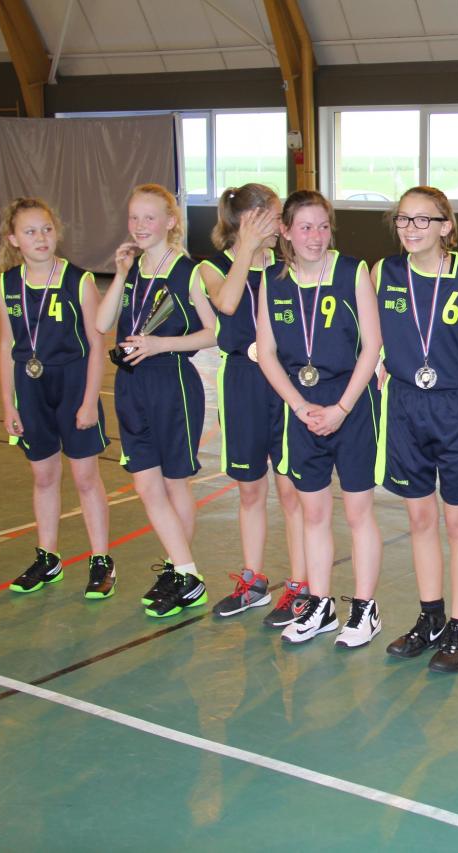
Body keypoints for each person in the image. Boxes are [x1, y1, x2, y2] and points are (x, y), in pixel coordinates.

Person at [374, 186, 458, 674]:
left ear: (447, 226)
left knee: (457, 523)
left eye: (423, 220)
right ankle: (430, 617)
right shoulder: (383, 272)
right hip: (406, 404)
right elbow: (367, 328)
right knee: (420, 521)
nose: (411, 229)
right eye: (404, 220)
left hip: (455, 406)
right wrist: (378, 360)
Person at [255, 190, 384, 648]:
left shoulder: (353, 273)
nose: (315, 236)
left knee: (357, 510)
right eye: (305, 227)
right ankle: (321, 603)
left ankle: (365, 610)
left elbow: (372, 347)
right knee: (312, 511)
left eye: (323, 226)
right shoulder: (272, 281)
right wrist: (296, 405)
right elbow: (266, 353)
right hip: (302, 408)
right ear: (286, 232)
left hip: (350, 403)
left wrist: (342, 408)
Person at [95, 183, 217, 618]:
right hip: (131, 387)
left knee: (173, 481)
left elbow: (213, 332)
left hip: (172, 384)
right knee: (145, 484)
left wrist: (162, 344)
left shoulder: (190, 271)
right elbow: (101, 321)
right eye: (134, 218)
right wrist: (122, 272)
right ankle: (181, 569)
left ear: (170, 221)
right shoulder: (134, 270)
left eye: (149, 218)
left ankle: (183, 573)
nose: (140, 226)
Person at [197, 184, 309, 622]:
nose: (281, 225)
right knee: (250, 488)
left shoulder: (289, 266)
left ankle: (300, 586)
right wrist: (245, 247)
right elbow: (226, 302)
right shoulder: (210, 267)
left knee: (291, 488)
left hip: (285, 381)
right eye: (274, 216)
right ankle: (253, 581)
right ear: (251, 220)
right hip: (242, 382)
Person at [0, 198, 114, 598]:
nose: (40, 238)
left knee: (84, 477)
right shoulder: (6, 284)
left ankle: (101, 560)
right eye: (30, 232)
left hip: (73, 384)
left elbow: (97, 345)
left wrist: (88, 400)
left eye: (46, 229)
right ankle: (48, 557)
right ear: (14, 239)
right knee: (43, 476)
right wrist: (9, 403)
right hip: (31, 387)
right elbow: (7, 344)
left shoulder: (77, 280)